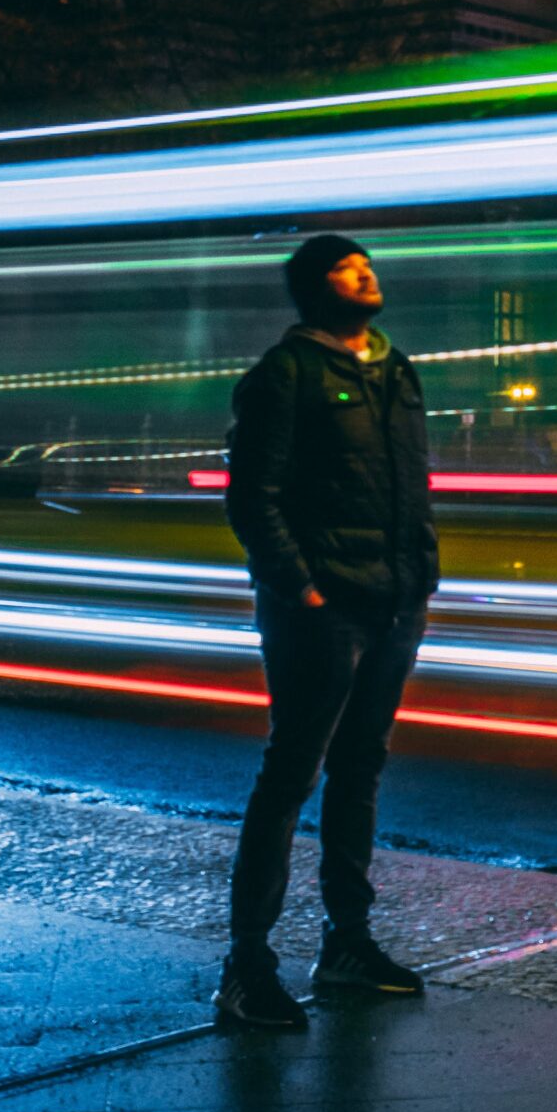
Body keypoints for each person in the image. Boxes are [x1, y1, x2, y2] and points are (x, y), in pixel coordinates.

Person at [216, 232, 440, 1030]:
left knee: (358, 771)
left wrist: (420, 579)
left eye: (367, 264)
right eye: (347, 269)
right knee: (290, 776)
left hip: (393, 602)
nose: (365, 274)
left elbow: (410, 486)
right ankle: (246, 966)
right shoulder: (286, 374)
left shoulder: (395, 370)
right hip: (322, 609)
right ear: (317, 289)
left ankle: (347, 944)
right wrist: (301, 589)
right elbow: (253, 496)